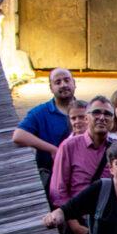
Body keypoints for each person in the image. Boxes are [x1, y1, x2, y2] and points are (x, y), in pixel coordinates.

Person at [13, 68, 77, 201]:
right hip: (52, 177)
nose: (63, 85)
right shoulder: (40, 112)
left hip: (82, 176)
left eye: (67, 80)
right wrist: (53, 150)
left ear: (74, 83)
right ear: (51, 88)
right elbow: (19, 135)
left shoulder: (88, 110)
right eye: (57, 82)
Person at [48, 95, 114, 206]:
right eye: (96, 112)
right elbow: (58, 192)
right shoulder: (69, 146)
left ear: (112, 120)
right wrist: (74, 222)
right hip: (77, 215)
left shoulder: (116, 148)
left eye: (107, 114)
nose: (102, 117)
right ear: (86, 118)